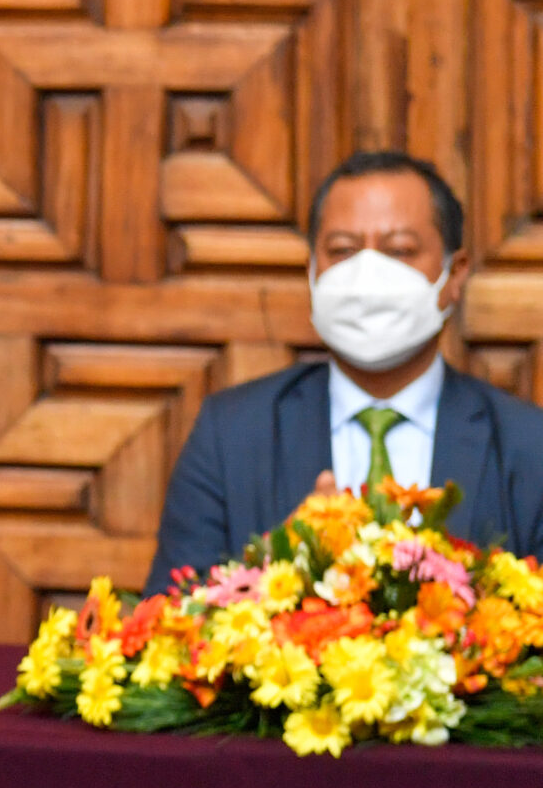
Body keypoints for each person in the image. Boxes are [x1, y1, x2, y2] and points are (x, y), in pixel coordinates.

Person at [145, 150, 543, 590]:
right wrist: (277, 566)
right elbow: (169, 615)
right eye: (343, 251)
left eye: (399, 250)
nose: (367, 274)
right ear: (313, 272)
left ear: (455, 274)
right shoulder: (230, 435)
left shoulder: (529, 445)